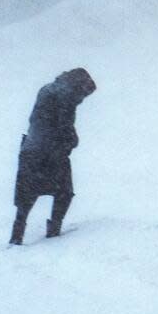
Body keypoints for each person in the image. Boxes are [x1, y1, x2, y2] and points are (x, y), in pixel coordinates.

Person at [9, 68, 97, 245]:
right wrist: (73, 140)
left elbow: (36, 119)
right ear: (78, 86)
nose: (83, 99)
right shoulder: (67, 96)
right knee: (64, 192)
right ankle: (54, 231)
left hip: (31, 149)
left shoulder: (47, 89)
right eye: (84, 94)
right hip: (51, 153)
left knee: (27, 193)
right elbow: (64, 126)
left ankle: (17, 234)